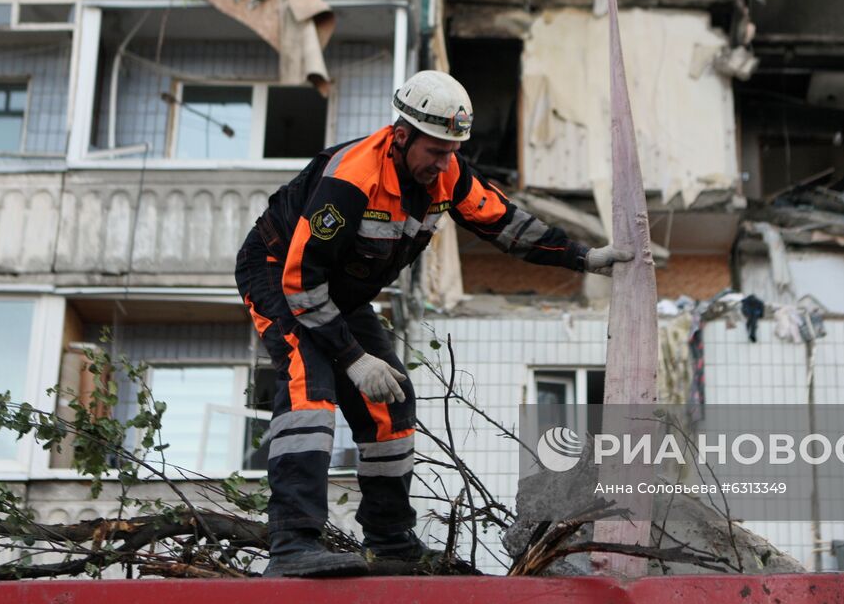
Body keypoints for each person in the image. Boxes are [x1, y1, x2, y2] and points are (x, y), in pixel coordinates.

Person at [236, 69, 633, 576]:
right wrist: (354, 360)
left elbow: (506, 224)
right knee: (309, 387)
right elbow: (299, 281)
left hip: (338, 293)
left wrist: (583, 258)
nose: (445, 163)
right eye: (436, 151)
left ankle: (389, 538)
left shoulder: (448, 173)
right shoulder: (351, 179)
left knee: (393, 400)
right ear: (401, 137)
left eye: (453, 150)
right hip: (278, 274)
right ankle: (293, 543)